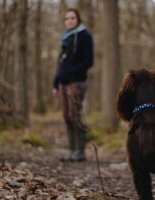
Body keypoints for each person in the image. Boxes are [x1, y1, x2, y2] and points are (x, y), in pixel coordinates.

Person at [52, 8, 93, 162]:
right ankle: (71, 150)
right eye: (67, 18)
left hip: (77, 82)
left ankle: (80, 151)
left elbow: (88, 61)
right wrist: (55, 83)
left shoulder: (84, 36)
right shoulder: (66, 39)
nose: (69, 20)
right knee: (66, 116)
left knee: (75, 115)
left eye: (72, 18)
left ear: (78, 19)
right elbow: (60, 64)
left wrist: (70, 73)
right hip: (63, 83)